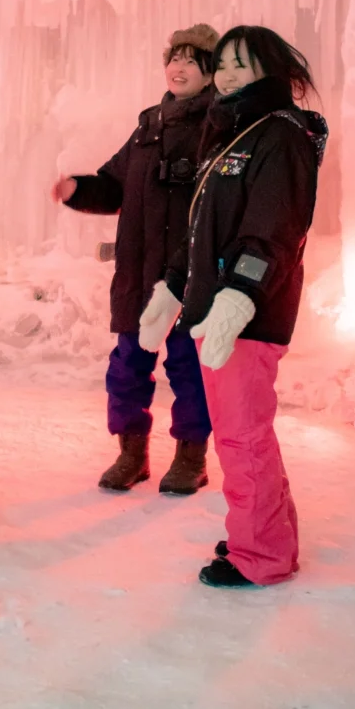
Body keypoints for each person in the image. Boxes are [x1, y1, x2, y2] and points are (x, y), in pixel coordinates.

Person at [139, 26, 328, 587]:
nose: (226, 76)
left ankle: (261, 555)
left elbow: (273, 229)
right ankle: (265, 534)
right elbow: (202, 229)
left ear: (271, 70)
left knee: (244, 437)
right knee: (242, 436)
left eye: (241, 66)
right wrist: (172, 287)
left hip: (246, 314)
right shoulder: (232, 134)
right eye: (222, 64)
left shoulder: (281, 135)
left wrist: (241, 295)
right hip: (214, 309)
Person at [52, 25, 219, 494]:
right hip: (138, 273)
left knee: (188, 367)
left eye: (192, 60)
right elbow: (115, 184)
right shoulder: (148, 127)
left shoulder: (216, 128)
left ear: (210, 72)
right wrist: (79, 190)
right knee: (127, 366)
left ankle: (191, 457)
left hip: (187, 276)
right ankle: (132, 454)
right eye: (174, 59)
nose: (179, 68)